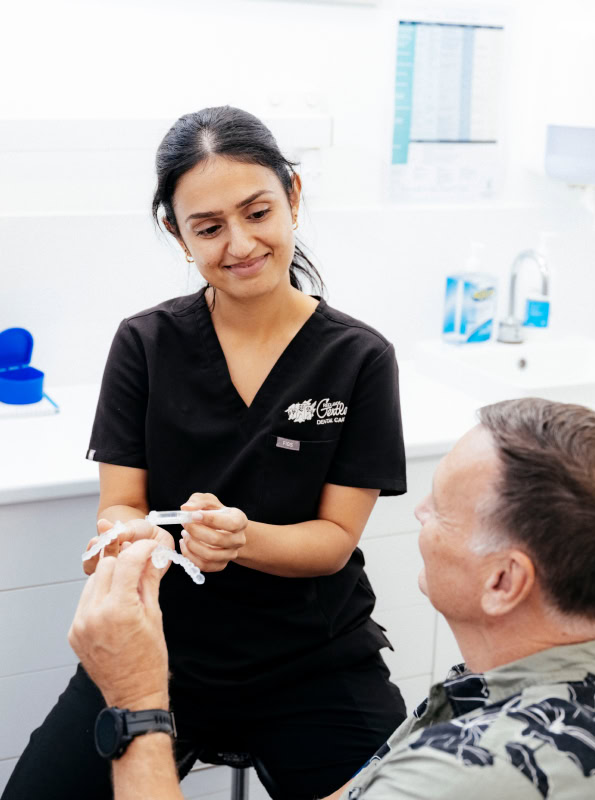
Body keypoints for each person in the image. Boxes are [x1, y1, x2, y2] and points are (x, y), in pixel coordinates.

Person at [2, 107, 407, 800]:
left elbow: (336, 539)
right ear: (177, 233)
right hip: (156, 649)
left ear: (294, 197)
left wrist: (242, 539)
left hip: (313, 655)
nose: (241, 244)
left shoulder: (358, 358)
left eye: (257, 212)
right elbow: (121, 505)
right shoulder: (146, 344)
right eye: (210, 227)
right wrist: (129, 541)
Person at [67, 398, 595, 800]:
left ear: (504, 582)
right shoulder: (554, 675)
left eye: (441, 511)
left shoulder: (470, 775)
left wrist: (136, 702)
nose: (420, 515)